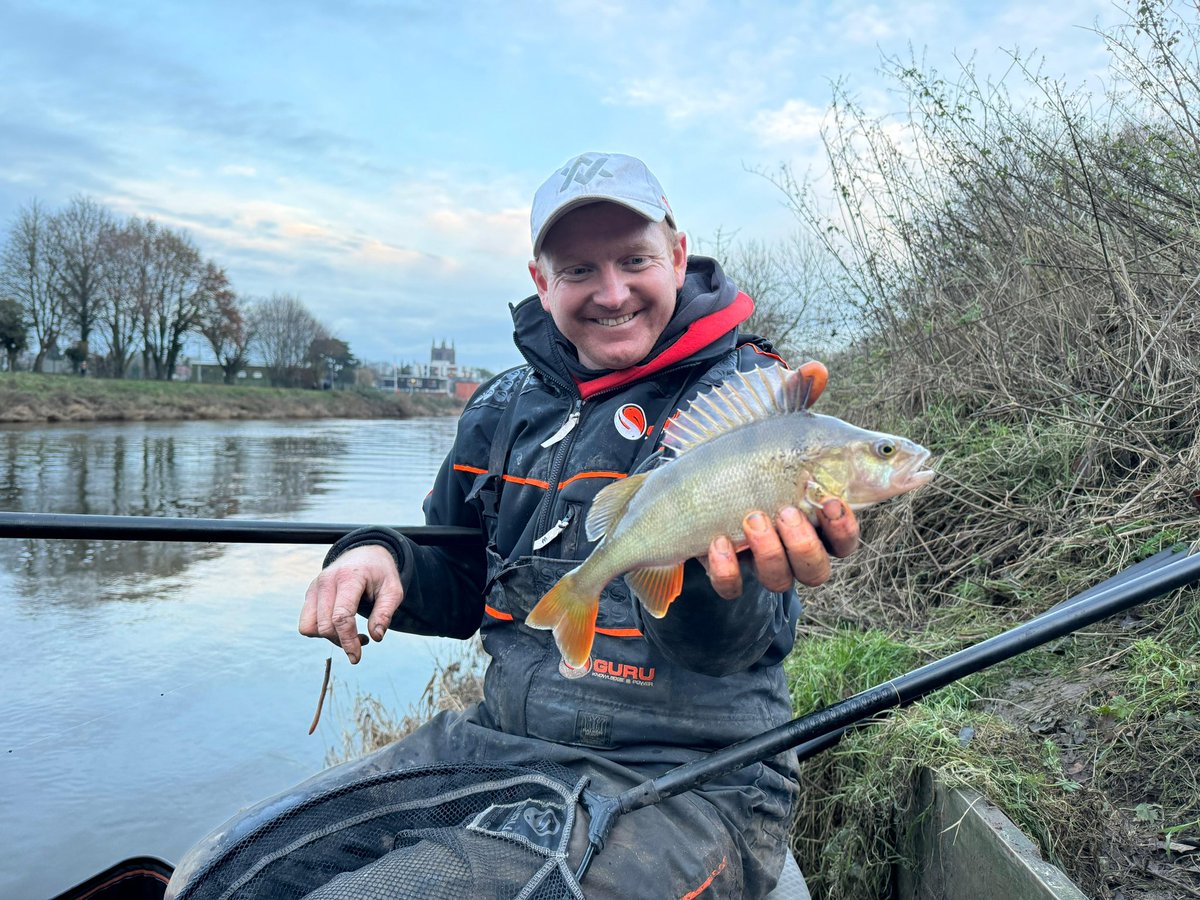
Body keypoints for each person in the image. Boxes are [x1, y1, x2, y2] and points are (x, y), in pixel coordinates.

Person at [166, 152, 858, 900]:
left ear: (679, 255)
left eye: (635, 260)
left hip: (690, 780)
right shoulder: (501, 410)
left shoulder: (746, 402)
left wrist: (717, 582)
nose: (613, 292)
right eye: (579, 271)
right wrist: (383, 558)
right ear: (540, 282)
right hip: (500, 744)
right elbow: (464, 579)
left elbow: (731, 649)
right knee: (217, 878)